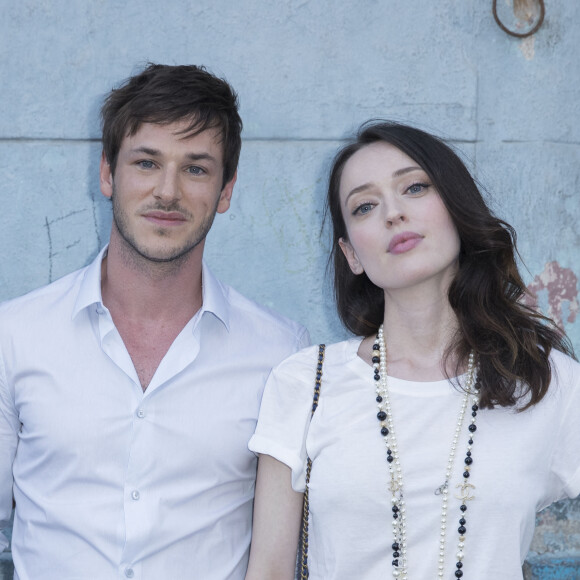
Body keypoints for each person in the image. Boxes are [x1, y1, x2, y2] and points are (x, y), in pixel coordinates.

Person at [0, 63, 309, 579]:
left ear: (226, 190)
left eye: (195, 169)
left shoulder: (279, 352)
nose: (168, 191)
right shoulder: (14, 336)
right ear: (107, 173)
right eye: (146, 163)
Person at [245, 121, 580, 580]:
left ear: (457, 209)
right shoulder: (306, 382)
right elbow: (269, 572)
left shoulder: (545, 381)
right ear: (352, 255)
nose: (393, 213)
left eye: (415, 188)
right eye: (364, 206)